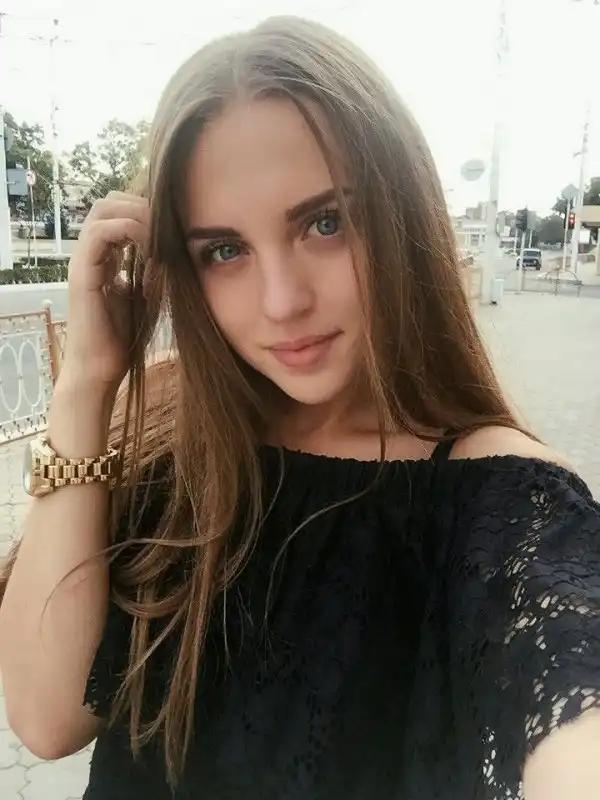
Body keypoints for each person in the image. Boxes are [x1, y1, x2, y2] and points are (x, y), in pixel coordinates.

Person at [1, 15, 600, 800]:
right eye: (224, 250)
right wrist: (87, 380)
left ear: (403, 217)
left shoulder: (500, 498)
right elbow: (46, 720)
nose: (282, 302)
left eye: (326, 223)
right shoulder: (173, 444)